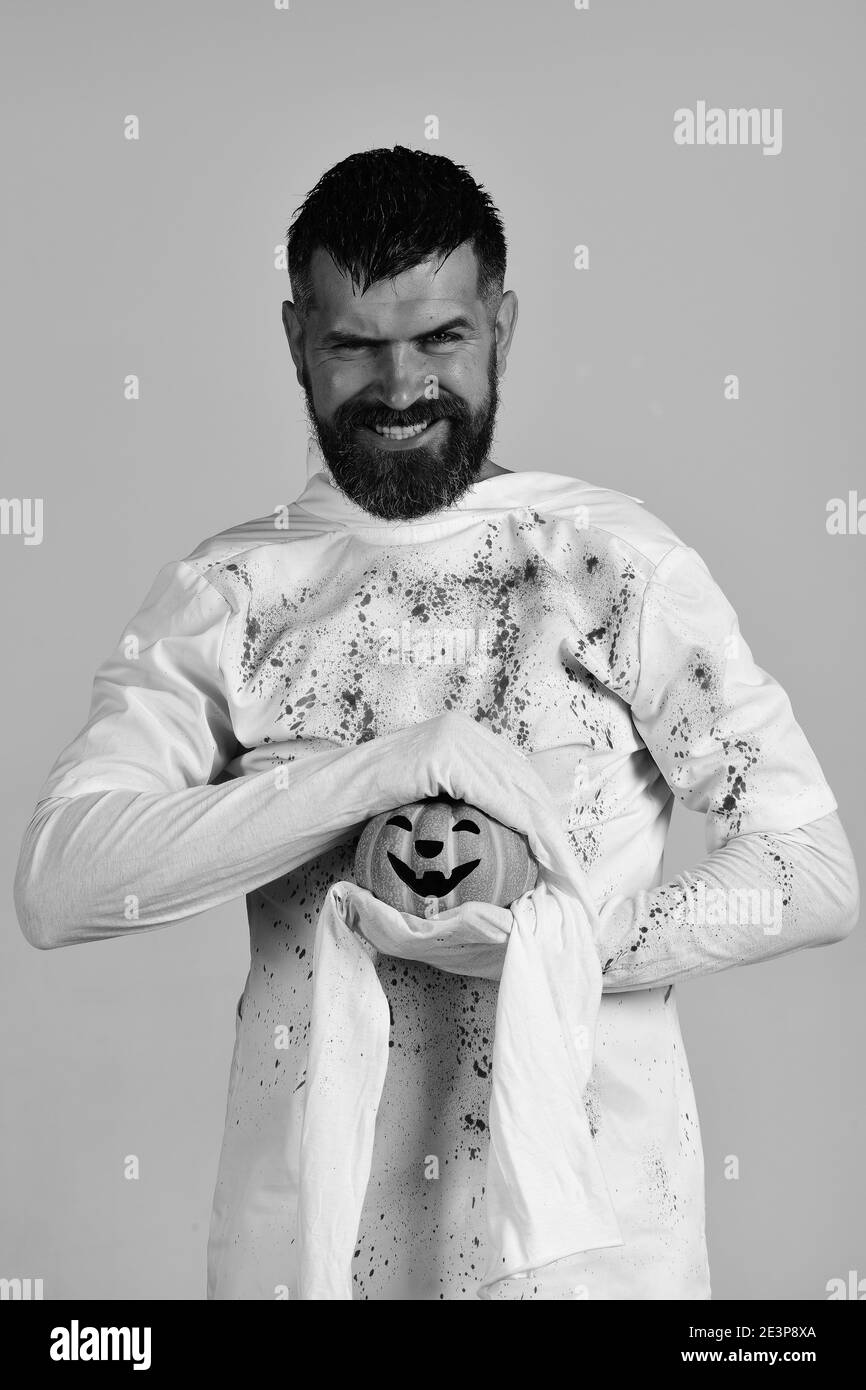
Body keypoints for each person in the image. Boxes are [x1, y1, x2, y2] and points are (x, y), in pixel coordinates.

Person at [14, 145, 858, 1301]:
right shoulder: (232, 593)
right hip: (302, 1254)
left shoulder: (609, 562)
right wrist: (380, 771)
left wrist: (542, 937)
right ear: (294, 340)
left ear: (500, 327)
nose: (400, 384)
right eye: (354, 343)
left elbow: (810, 871)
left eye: (439, 339)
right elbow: (62, 883)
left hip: (592, 1256)